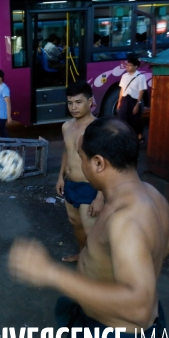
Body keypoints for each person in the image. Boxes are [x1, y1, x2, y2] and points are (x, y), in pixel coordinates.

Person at [9, 118, 169, 338]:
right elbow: (167, 246)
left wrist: (50, 273)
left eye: (81, 157)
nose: (80, 164)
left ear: (98, 163)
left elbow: (139, 309)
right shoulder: (153, 195)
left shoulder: (124, 220)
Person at [55, 81, 104, 262]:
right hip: (70, 184)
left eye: (78, 102)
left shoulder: (98, 129)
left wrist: (100, 195)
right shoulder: (66, 126)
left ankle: (96, 269)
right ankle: (82, 255)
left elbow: (106, 164)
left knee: (90, 229)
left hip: (89, 185)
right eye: (70, 103)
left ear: (90, 101)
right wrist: (60, 177)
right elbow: (67, 152)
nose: (73, 107)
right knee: (75, 223)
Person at [117, 57, 147, 143]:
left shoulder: (140, 77)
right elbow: (122, 89)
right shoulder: (124, 76)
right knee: (122, 118)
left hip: (134, 100)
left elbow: (141, 91)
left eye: (130, 65)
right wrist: (119, 101)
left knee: (134, 119)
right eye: (127, 65)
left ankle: (139, 136)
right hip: (124, 99)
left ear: (136, 66)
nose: (127, 67)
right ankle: (125, 136)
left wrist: (138, 104)